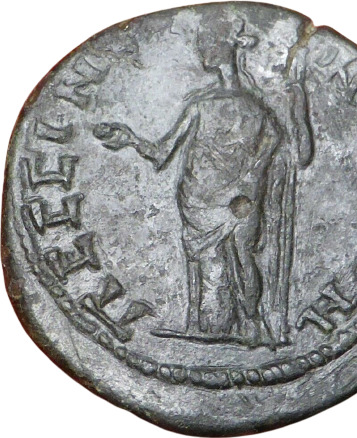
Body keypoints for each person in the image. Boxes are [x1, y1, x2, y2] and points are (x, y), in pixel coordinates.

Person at [93, 16, 312, 347]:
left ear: (223, 48)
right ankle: (210, 325)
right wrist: (129, 138)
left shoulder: (242, 108)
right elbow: (162, 154)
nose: (201, 51)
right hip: (202, 198)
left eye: (206, 44)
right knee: (226, 259)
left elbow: (274, 146)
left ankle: (250, 326)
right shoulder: (219, 107)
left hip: (236, 199)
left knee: (241, 258)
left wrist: (245, 187)